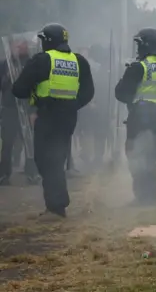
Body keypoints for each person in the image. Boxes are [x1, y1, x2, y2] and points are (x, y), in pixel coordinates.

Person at [12, 23, 95, 217]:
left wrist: (37, 97)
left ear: (47, 41)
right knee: (56, 158)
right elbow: (88, 92)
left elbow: (18, 89)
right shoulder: (79, 61)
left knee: (47, 160)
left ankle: (57, 206)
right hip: (68, 117)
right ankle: (56, 204)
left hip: (48, 115)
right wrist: (72, 105)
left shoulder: (42, 60)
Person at [115, 28, 156, 206]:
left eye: (138, 44)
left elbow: (121, 94)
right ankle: (151, 194)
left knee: (136, 155)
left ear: (145, 44)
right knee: (152, 156)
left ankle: (144, 197)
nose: (137, 48)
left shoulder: (139, 67)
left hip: (140, 114)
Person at [0, 41, 39, 185]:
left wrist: (34, 111)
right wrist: (7, 79)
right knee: (7, 142)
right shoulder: (4, 65)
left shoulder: (31, 64)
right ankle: (4, 174)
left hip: (27, 108)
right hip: (9, 108)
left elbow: (36, 88)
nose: (18, 47)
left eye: (21, 44)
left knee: (29, 142)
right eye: (14, 45)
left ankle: (32, 172)